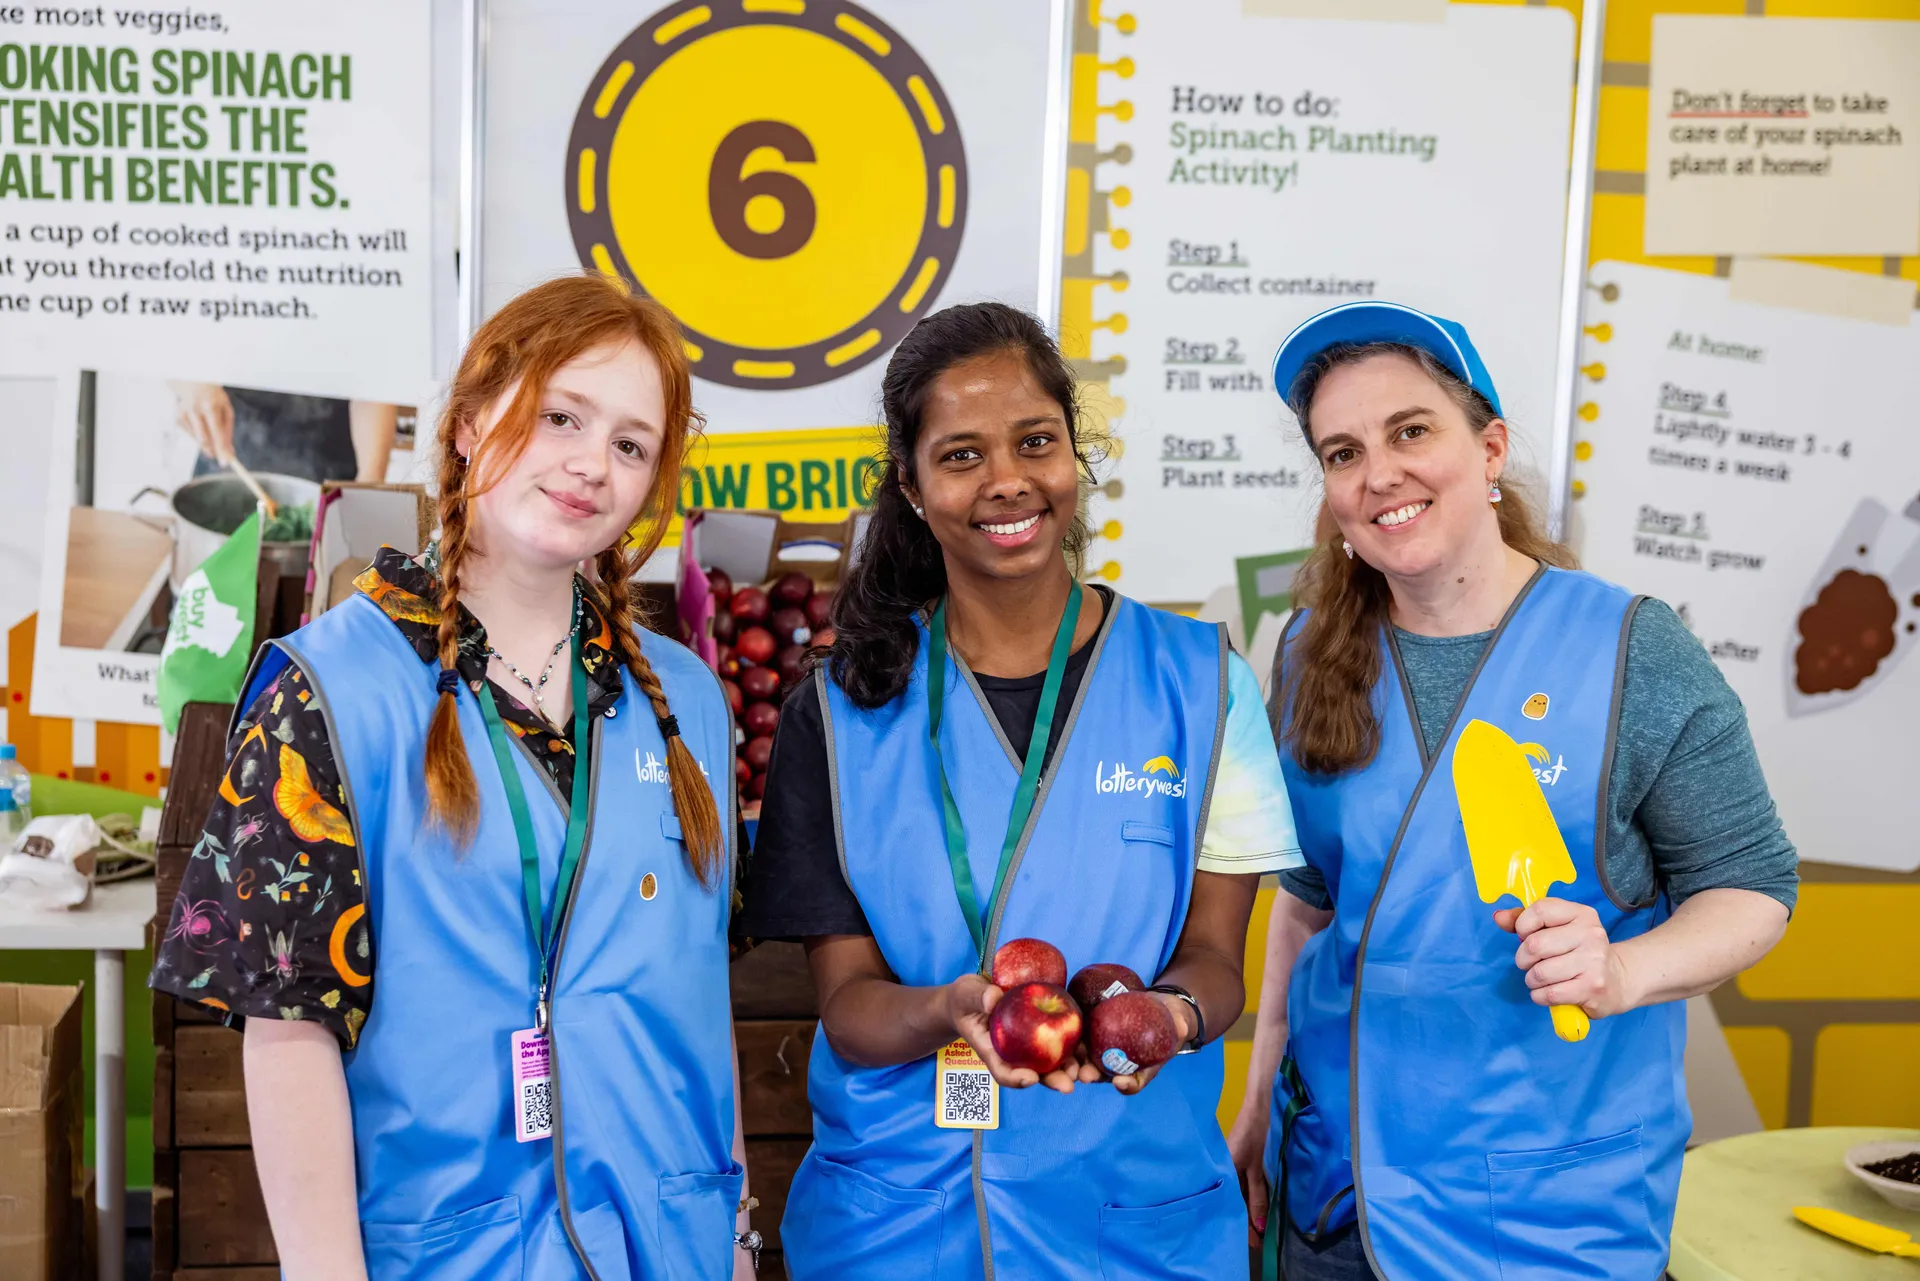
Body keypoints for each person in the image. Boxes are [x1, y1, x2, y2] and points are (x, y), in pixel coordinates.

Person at [150, 275, 758, 1280]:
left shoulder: (685, 702)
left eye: (629, 444)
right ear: (474, 421)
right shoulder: (325, 692)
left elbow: (701, 1000)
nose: (589, 465)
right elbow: (288, 1034)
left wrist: (737, 1241)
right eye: (561, 415)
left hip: (670, 1247)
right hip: (451, 1250)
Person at [1227, 302, 1798, 1281]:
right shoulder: (1303, 653)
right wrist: (1254, 1100)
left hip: (1543, 1211)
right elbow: (1310, 907)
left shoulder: (1630, 650)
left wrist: (1623, 971)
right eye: (1342, 452)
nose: (1379, 475)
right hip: (1335, 1192)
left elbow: (1753, 888)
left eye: (1411, 431)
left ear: (1489, 450)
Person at [736, 301, 1306, 1279]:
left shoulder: (1205, 686)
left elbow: (1217, 955)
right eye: (960, 455)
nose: (1007, 480)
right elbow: (847, 1005)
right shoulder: (837, 712)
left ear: (1074, 458)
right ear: (912, 489)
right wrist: (947, 1011)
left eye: (1035, 442)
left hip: (1133, 1230)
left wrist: (1167, 1016)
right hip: (901, 1232)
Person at [170, 380, 399, 483]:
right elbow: (170, 326)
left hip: (333, 471)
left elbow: (373, 379)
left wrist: (370, 481)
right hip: (226, 463)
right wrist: (189, 381)